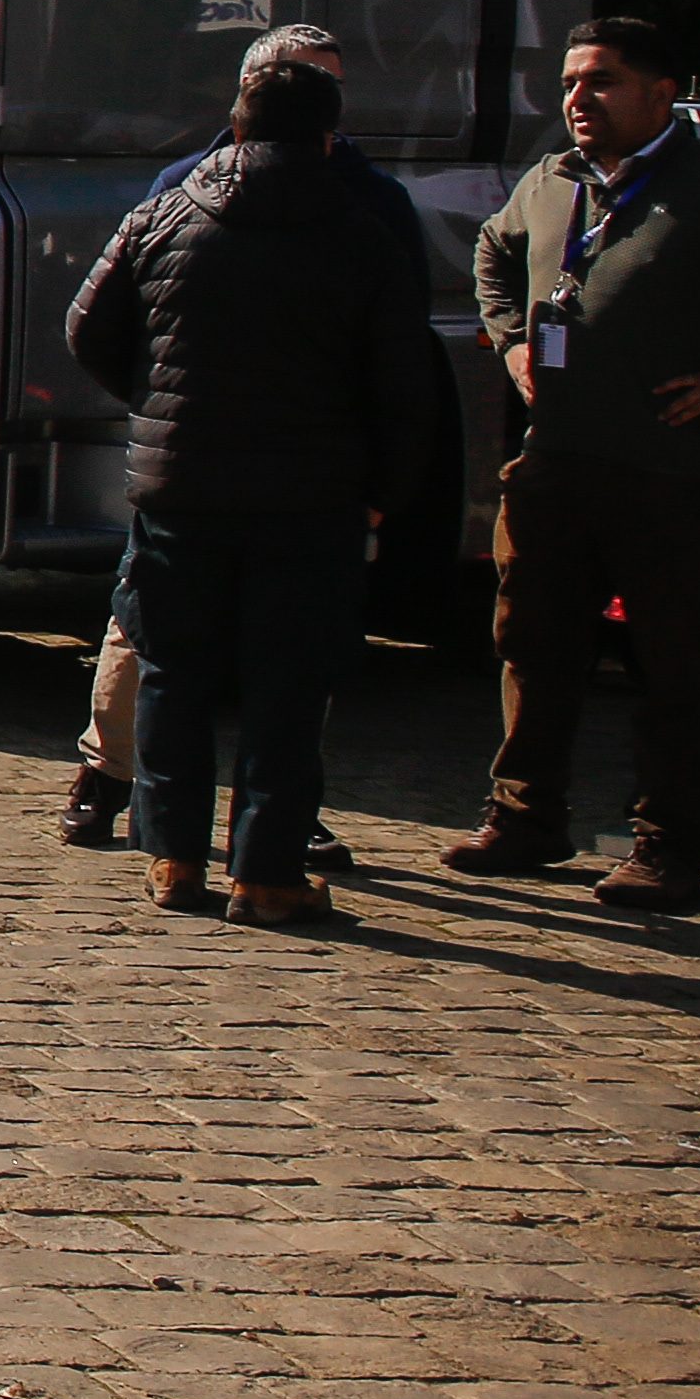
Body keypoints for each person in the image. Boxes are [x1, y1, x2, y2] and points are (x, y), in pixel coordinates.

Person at [63, 53, 449, 924]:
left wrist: (159, 402)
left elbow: (86, 327)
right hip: (311, 497)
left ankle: (171, 861)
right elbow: (404, 382)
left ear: (235, 125)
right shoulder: (363, 232)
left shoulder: (162, 214)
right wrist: (386, 488)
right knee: (287, 686)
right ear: (326, 136)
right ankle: (266, 873)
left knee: (171, 675)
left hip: (181, 485)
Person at [447, 16, 700, 913]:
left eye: (601, 81)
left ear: (660, 93)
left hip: (670, 468)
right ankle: (525, 816)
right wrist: (507, 344)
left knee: (672, 660)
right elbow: (492, 253)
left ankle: (668, 842)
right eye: (571, 82)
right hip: (555, 462)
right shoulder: (553, 177)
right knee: (531, 642)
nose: (578, 99)